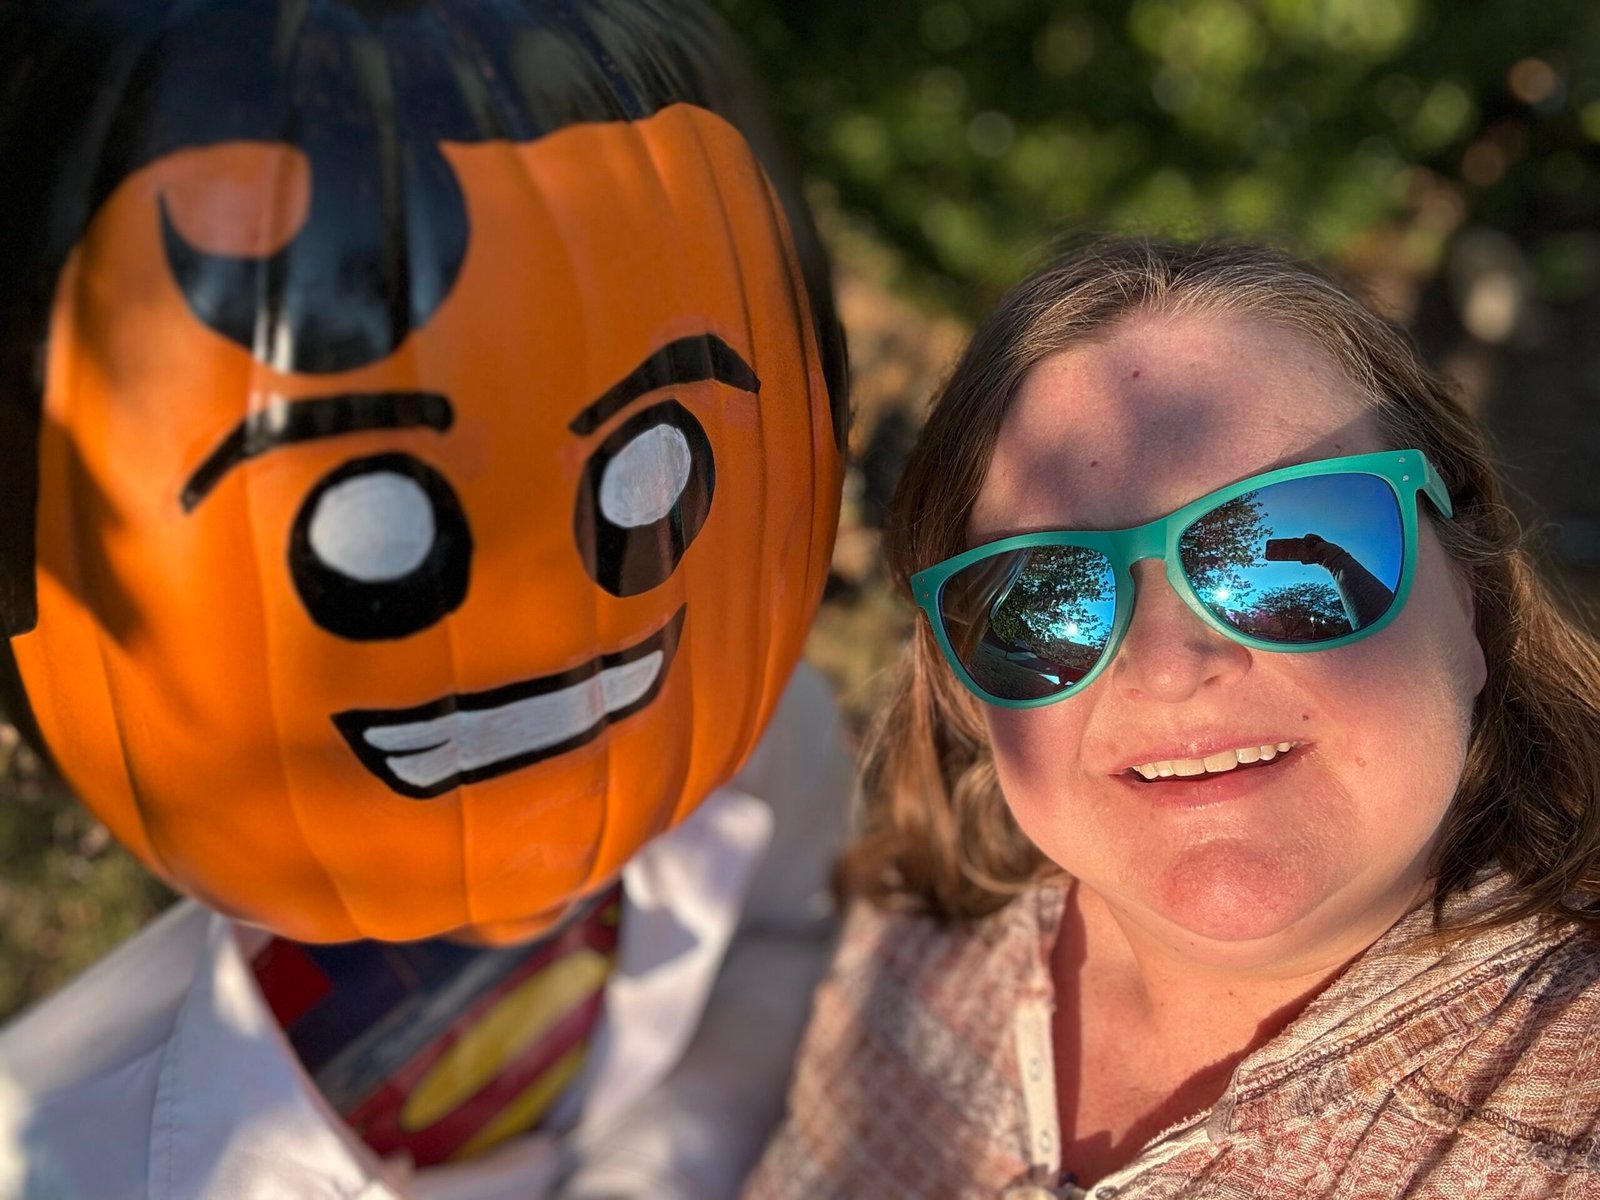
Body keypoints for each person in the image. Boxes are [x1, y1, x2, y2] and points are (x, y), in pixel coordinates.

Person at [0, 1, 851, 1196]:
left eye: (653, 470)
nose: (550, 609)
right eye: (370, 542)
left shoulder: (768, 741)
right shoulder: (44, 1155)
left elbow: (784, 948)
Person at [746, 237, 1600, 1199]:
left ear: (1473, 596)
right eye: (1045, 598)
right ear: (962, 686)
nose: (1163, 667)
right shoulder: (902, 961)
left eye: (1282, 551)